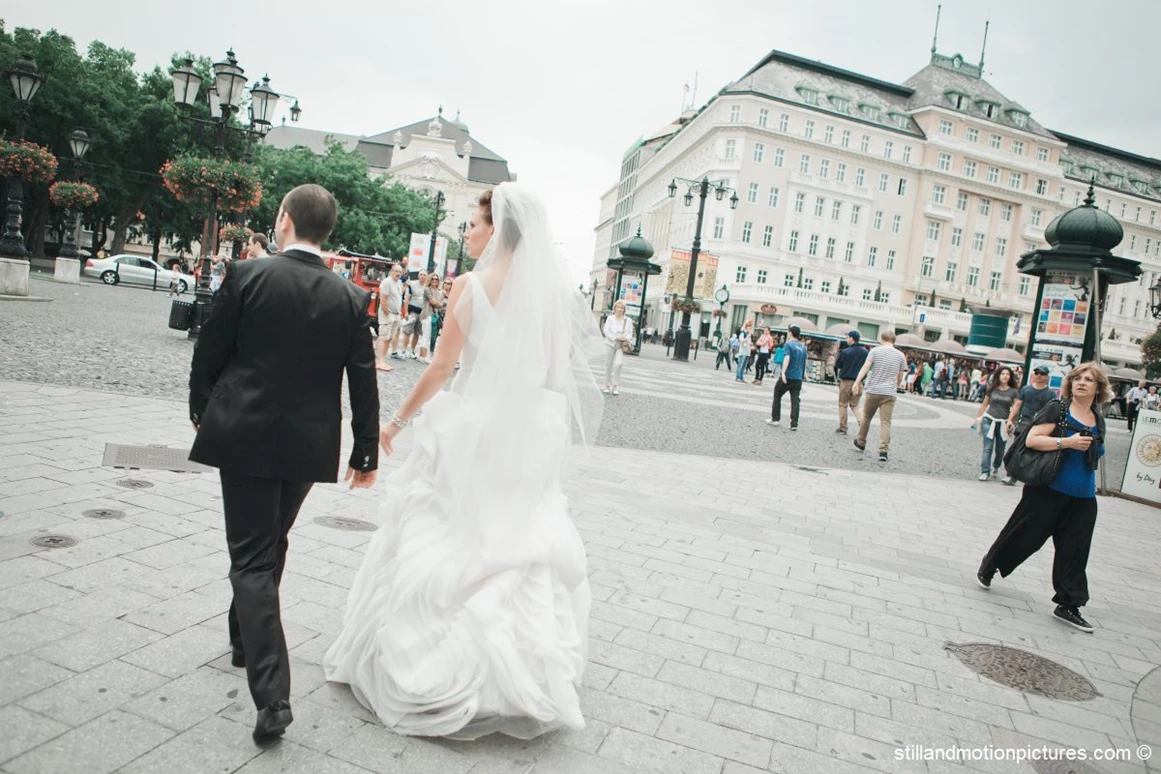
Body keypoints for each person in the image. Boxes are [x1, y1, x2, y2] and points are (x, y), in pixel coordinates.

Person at [324, 184, 603, 740]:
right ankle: (523, 669)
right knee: (515, 538)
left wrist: (395, 422)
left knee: (449, 530)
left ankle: (437, 661)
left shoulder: (469, 285)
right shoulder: (550, 296)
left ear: (497, 229)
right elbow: (554, 373)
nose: (467, 234)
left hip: (469, 426)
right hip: (525, 431)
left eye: (473, 225)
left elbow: (441, 366)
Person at [188, 184, 380, 743]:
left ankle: (272, 697)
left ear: (286, 220)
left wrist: (202, 410)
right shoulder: (350, 297)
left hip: (243, 431)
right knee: (270, 542)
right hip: (307, 443)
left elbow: (210, 351)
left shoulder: (248, 276)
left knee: (251, 557)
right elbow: (363, 381)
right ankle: (244, 640)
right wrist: (365, 450)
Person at [977, 363, 1109, 633]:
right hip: (1047, 490)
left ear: (1098, 388)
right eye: (1077, 378)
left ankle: (1068, 604)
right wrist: (1067, 442)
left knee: (1075, 551)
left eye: (1088, 380)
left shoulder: (1098, 418)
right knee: (1023, 537)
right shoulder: (1058, 409)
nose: (1081, 382)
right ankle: (990, 566)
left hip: (1083, 497)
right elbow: (1032, 440)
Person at [852, 330, 908, 462]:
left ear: (882, 339)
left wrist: (857, 382)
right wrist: (896, 384)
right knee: (886, 422)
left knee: (866, 417)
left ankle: (861, 441)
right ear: (894, 341)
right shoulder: (900, 355)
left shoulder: (875, 351)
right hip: (889, 393)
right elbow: (900, 375)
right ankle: (883, 451)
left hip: (874, 391)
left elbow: (865, 367)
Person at [973, 366, 1019, 481]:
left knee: (1000, 450)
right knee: (987, 448)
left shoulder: (1013, 392)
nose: (1005, 376)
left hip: (1003, 423)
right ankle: (985, 471)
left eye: (1007, 374)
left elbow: (1016, 408)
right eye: (1002, 374)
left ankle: (996, 466)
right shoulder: (992, 389)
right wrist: (977, 418)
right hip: (988, 419)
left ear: (1010, 377)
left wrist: (1011, 422)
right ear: (998, 376)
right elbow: (984, 404)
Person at [766, 324, 807, 430]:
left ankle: (775, 418)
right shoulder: (803, 347)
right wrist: (803, 375)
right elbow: (803, 362)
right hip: (798, 377)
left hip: (789, 375)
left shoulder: (788, 345)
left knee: (777, 393)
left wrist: (783, 372)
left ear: (790, 333)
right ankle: (794, 423)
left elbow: (787, 358)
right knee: (795, 400)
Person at [834, 331, 868, 435]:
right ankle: (862, 424)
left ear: (852, 338)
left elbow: (838, 365)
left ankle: (843, 427)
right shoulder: (865, 352)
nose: (846, 339)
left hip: (846, 382)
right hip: (859, 382)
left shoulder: (846, 351)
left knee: (843, 404)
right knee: (855, 405)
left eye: (847, 337)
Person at [375, 263, 405, 371]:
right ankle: (380, 362)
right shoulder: (387, 282)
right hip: (388, 314)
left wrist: (399, 312)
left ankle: (383, 361)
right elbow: (383, 299)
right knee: (384, 337)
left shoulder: (399, 283)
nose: (398, 273)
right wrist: (387, 314)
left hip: (396, 314)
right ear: (391, 271)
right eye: (396, 271)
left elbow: (398, 298)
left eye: (400, 272)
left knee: (389, 338)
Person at [603, 299, 634, 395]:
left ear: (624, 309)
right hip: (610, 343)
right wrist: (616, 337)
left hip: (621, 345)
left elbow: (630, 333)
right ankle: (607, 385)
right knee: (608, 364)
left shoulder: (628, 320)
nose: (620, 309)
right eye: (618, 307)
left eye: (622, 308)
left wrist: (625, 338)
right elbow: (606, 331)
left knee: (618, 364)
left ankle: (615, 385)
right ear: (615, 308)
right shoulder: (610, 318)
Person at [417, 273, 446, 364]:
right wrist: (441, 304)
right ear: (430, 280)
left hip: (435, 316)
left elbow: (439, 303)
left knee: (430, 337)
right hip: (427, 315)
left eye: (436, 279)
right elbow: (434, 302)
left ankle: (424, 356)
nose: (434, 280)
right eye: (433, 279)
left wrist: (440, 303)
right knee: (426, 336)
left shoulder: (439, 291)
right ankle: (423, 356)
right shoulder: (427, 289)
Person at [402, 271, 428, 358]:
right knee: (407, 332)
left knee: (417, 333)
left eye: (424, 275)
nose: (422, 276)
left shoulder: (427, 287)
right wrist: (406, 312)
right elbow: (407, 299)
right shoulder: (412, 284)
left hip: (422, 314)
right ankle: (403, 350)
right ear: (418, 275)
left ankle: (412, 351)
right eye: (421, 275)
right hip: (412, 312)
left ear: (426, 276)